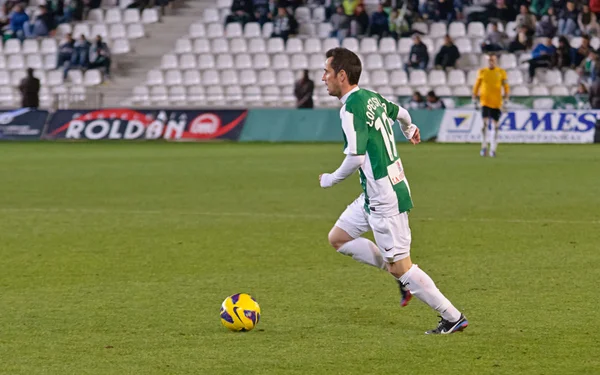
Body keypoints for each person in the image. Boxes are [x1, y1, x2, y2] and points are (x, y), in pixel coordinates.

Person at [319, 47, 468, 335]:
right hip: (377, 193)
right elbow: (401, 112)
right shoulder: (371, 98)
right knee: (338, 238)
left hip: (383, 199)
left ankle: (451, 316)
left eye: (327, 71)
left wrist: (331, 179)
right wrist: (409, 128)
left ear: (342, 75)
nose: (323, 77)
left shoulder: (350, 109)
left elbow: (356, 156)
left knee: (404, 266)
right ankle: (397, 275)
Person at [472, 54, 510, 158]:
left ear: (496, 61)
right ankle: (484, 147)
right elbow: (476, 86)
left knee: (496, 126)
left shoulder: (501, 72)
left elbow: (506, 87)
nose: (491, 62)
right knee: (484, 125)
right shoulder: (482, 72)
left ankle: (493, 149)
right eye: (489, 60)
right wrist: (474, 99)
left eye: (493, 60)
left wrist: (506, 100)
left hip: (497, 103)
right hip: (485, 101)